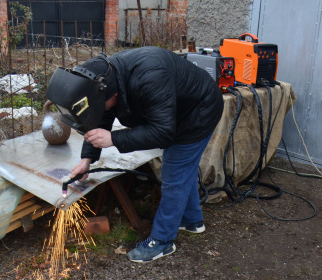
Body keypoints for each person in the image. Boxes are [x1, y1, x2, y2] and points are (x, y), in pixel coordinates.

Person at [46, 46, 224, 263]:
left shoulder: (150, 77)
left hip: (199, 111)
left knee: (174, 173)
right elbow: (101, 116)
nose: (103, 109)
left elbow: (163, 132)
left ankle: (162, 241)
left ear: (111, 93)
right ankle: (192, 220)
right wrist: (87, 159)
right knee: (181, 169)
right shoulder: (105, 78)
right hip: (175, 110)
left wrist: (114, 139)